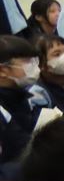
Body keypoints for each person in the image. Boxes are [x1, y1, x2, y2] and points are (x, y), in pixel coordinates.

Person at [0, 35, 41, 163]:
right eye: (27, 61)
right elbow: (20, 146)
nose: (34, 66)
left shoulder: (23, 95)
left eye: (34, 60)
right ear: (2, 71)